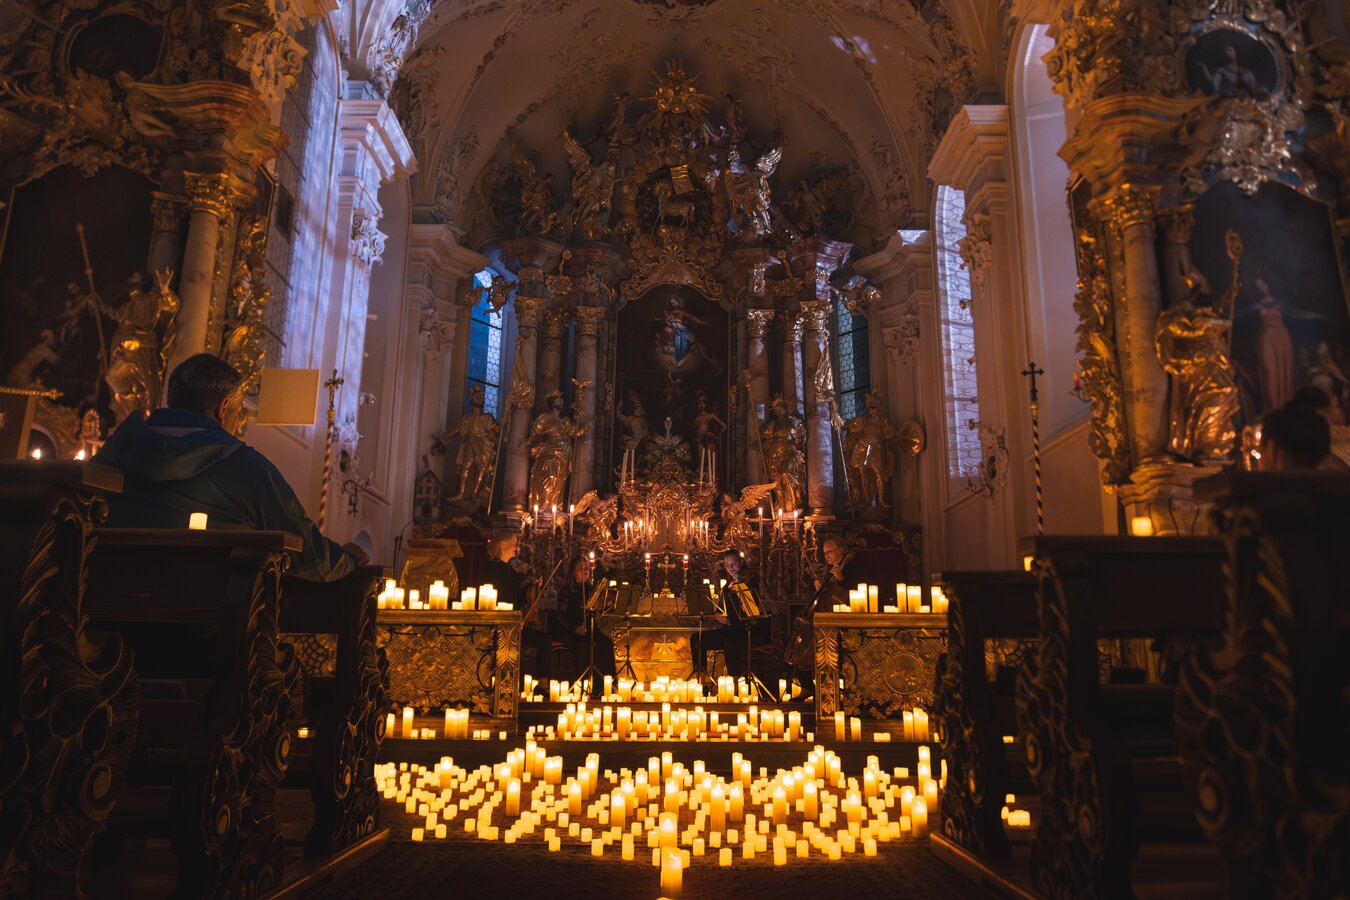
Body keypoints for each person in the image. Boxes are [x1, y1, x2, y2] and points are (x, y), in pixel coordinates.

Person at [94, 353, 362, 581]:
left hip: (103, 604)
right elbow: (312, 558)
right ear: (223, 407)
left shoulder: (114, 452)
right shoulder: (248, 467)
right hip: (202, 615)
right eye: (238, 411)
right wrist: (351, 558)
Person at [484, 528, 551, 681]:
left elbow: (517, 599)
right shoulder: (491, 570)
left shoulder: (511, 571)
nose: (517, 547)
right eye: (514, 543)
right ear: (503, 544)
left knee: (544, 640)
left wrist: (532, 588)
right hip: (498, 625)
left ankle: (543, 684)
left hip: (513, 625)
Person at [552, 555, 616, 679]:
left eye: (587, 568)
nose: (585, 570)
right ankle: (582, 681)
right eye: (580, 568)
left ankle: (605, 682)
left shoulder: (591, 589)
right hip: (571, 630)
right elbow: (561, 615)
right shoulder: (566, 591)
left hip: (589, 629)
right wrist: (574, 628)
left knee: (606, 642)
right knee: (584, 644)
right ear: (573, 572)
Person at [1259, 392, 1334, 472]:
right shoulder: (1334, 477)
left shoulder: (1266, 478)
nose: (1260, 454)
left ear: (1272, 449)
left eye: (1262, 445)